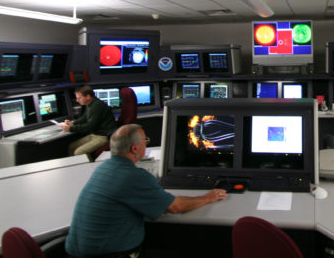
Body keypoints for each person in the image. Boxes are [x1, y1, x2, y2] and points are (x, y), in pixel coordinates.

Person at [65, 124, 227, 258]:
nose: (146, 144)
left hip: (76, 251)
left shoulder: (103, 168)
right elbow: (175, 207)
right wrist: (208, 197)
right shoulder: (134, 176)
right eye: (145, 141)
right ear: (135, 148)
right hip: (110, 254)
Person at [61, 85, 117, 158]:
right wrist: (72, 123)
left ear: (88, 96)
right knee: (72, 147)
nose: (77, 100)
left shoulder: (97, 106)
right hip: (95, 134)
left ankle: (90, 168)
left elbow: (90, 126)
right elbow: (84, 118)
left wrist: (70, 129)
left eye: (79, 98)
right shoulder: (90, 104)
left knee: (79, 152)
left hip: (103, 136)